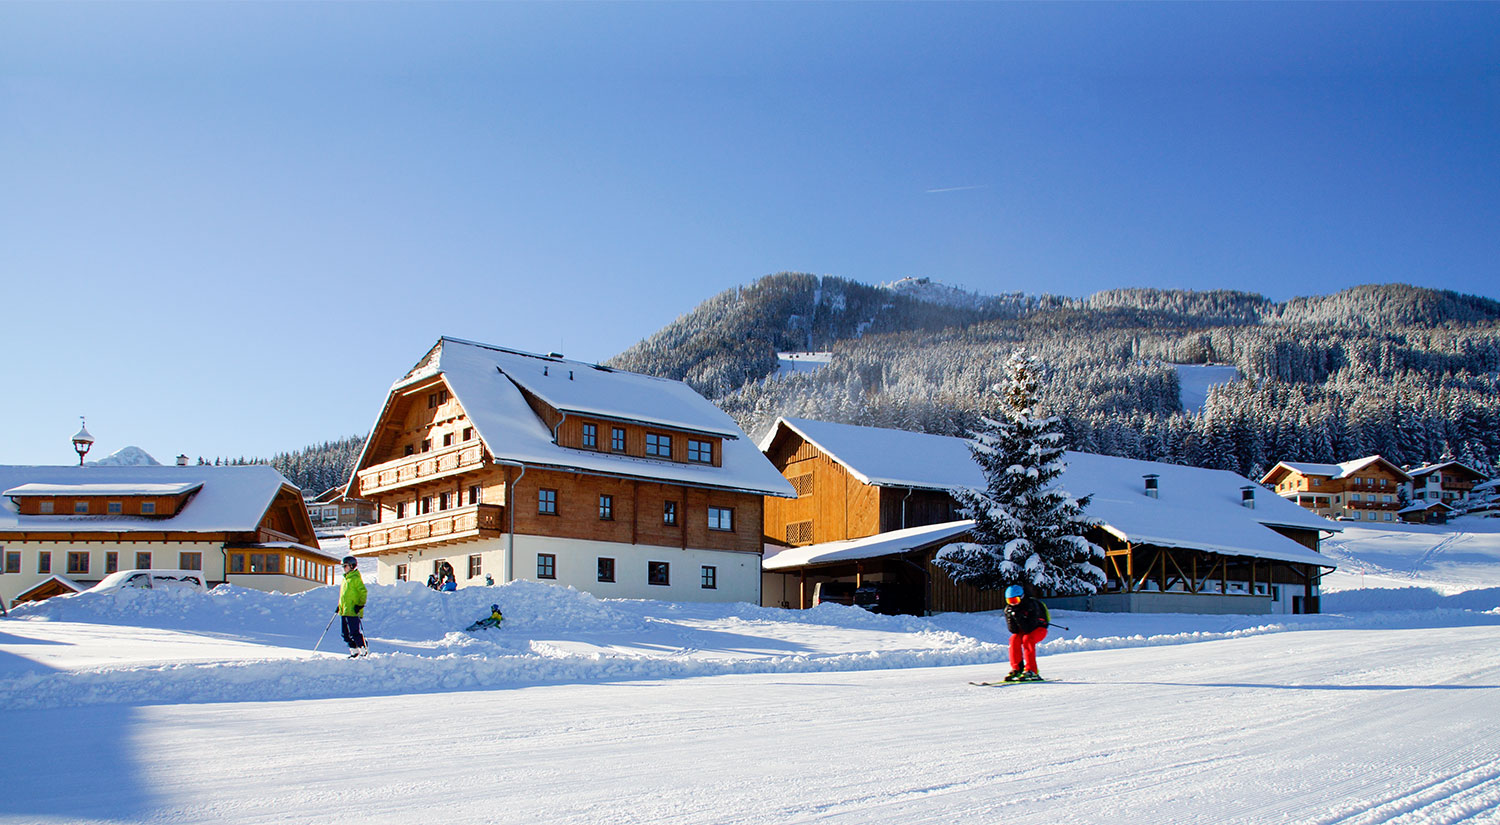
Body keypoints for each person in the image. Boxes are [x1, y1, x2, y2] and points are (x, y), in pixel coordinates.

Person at [1002, 584, 1049, 681]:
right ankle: (1017, 669)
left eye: (1015, 600)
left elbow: (1029, 628)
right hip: (1024, 630)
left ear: (1022, 597)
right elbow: (1013, 630)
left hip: (1038, 629)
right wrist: (1012, 617)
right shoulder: (1010, 609)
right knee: (1014, 639)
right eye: (1010, 601)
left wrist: (1019, 617)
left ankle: (1032, 671)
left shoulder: (1031, 605)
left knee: (1028, 639)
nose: (1013, 604)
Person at [337, 556, 368, 658]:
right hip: (344, 610)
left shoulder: (355, 578)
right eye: (343, 566)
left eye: (345, 566)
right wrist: (339, 606)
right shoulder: (345, 579)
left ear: (351, 566)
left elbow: (363, 592)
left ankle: (363, 650)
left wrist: (360, 605)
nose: (344, 568)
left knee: (354, 632)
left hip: (353, 611)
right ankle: (354, 651)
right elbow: (344, 596)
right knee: (344, 634)